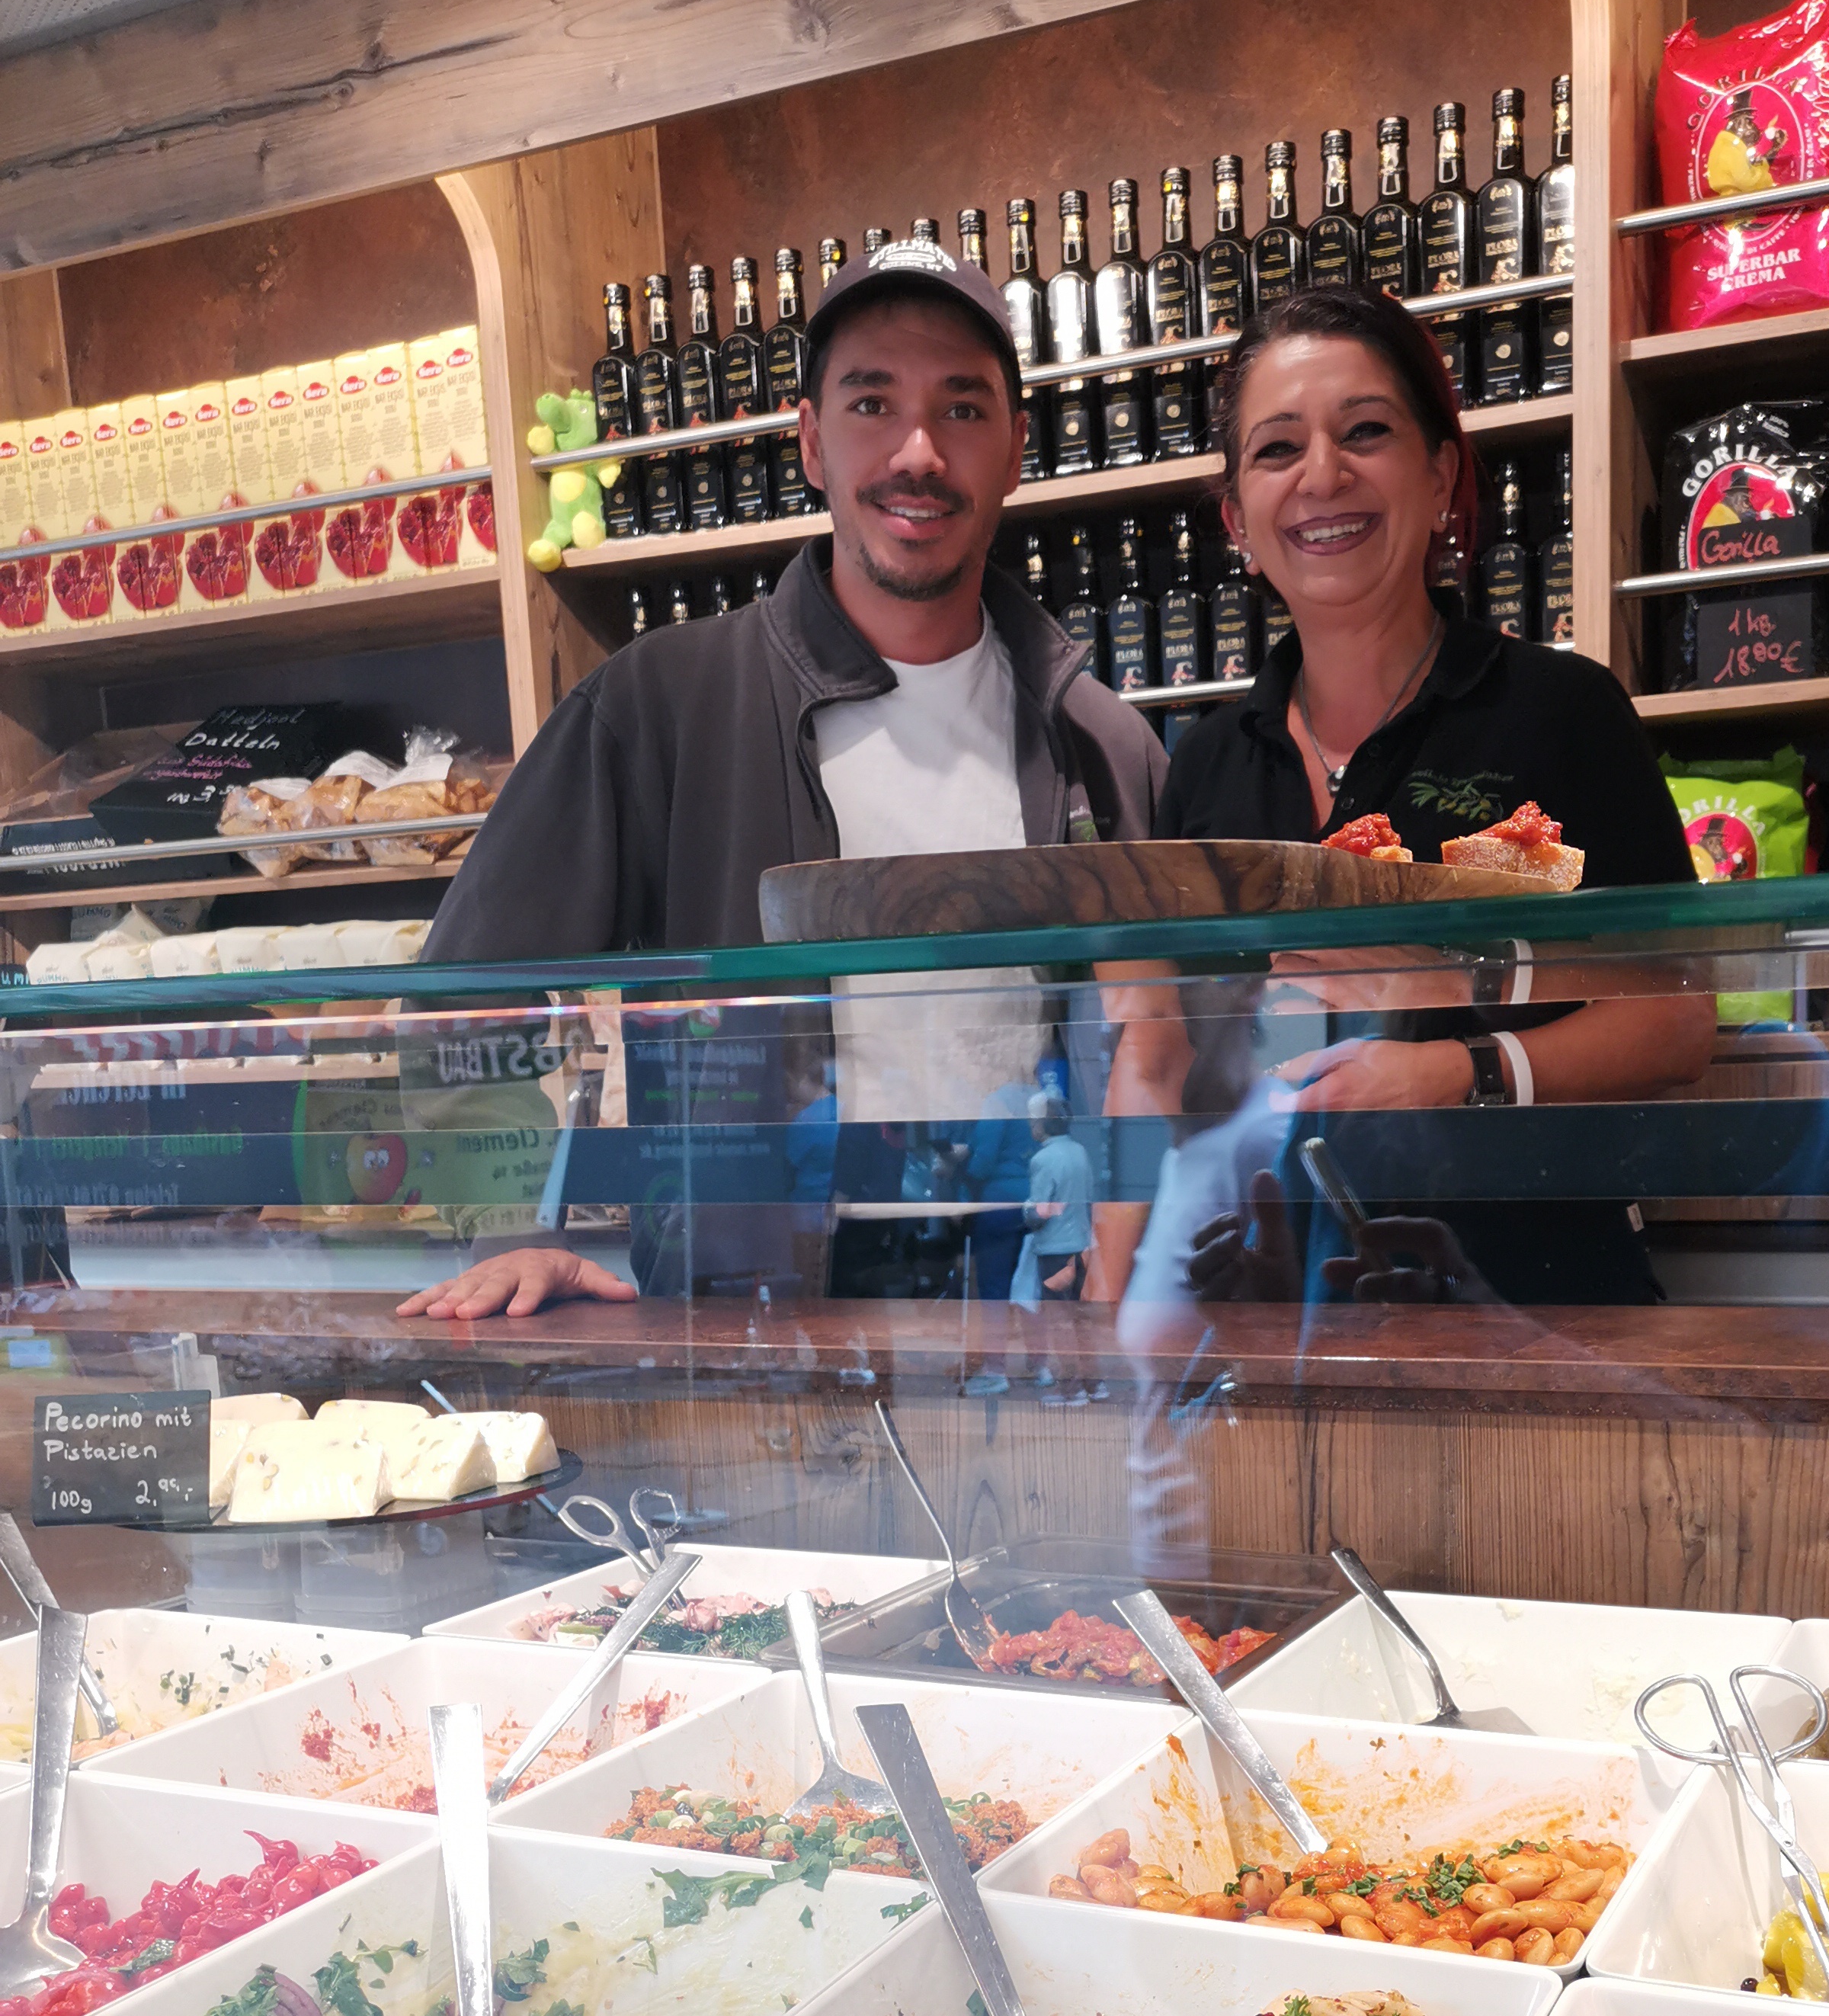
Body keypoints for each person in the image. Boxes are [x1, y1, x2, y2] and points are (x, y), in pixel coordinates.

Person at [399, 237, 1163, 1322]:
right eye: (870, 404)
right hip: (753, 1323)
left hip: (1035, 1308)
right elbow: (462, 997)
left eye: (962, 408)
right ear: (809, 441)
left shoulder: (1101, 742)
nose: (917, 452)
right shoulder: (661, 704)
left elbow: (1178, 1048)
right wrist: (513, 1226)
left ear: (1014, 450)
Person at [1107, 280, 1713, 1309]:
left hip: (1536, 1310)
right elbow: (1158, 1056)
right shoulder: (1205, 764)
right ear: (1237, 520)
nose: (1323, 475)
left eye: (1366, 431)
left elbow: (1678, 1017)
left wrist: (1457, 1071)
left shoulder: (1559, 710)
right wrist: (1110, 1295)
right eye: (1277, 448)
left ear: (1440, 474)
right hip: (1271, 1315)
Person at [1020, 1092, 1096, 1300]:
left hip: (1053, 1250)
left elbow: (1039, 1214)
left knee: (1054, 1309)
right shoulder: (1081, 1152)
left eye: (1033, 1121)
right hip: (1081, 1245)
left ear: (1042, 1124)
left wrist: (1026, 1210)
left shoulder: (1042, 1159)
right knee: (1075, 1307)